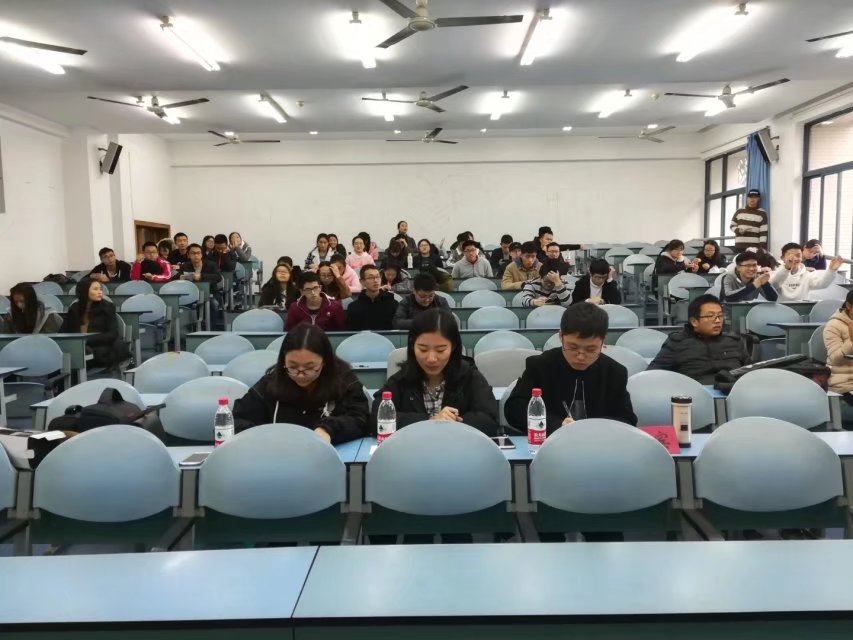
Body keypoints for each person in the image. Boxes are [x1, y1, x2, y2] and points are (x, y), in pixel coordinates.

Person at [504, 303, 637, 432]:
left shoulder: (615, 373)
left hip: (597, 441)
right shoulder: (540, 366)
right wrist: (557, 425)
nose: (581, 356)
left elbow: (627, 419)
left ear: (603, 341)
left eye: (590, 349)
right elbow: (515, 409)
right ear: (561, 336)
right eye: (573, 347)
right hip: (551, 440)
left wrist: (593, 427)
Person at [232, 323, 368, 444]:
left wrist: (328, 429)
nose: (300, 374)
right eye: (292, 367)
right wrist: (266, 436)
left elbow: (360, 419)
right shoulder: (270, 383)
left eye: (310, 367)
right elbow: (238, 419)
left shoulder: (344, 381)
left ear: (325, 361)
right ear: (283, 361)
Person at [372, 308, 498, 435]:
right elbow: (376, 418)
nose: (431, 359)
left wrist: (451, 422)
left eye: (440, 350)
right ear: (412, 346)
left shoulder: (469, 376)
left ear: (453, 347)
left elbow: (490, 420)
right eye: (423, 349)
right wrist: (430, 420)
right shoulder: (401, 379)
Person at [648, 294, 750, 384]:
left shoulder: (733, 341)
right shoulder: (677, 343)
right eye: (710, 316)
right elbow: (651, 375)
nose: (718, 321)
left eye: (720, 315)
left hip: (733, 393)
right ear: (694, 321)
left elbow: (751, 371)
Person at [60, 278, 130, 369]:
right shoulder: (74, 308)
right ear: (84, 291)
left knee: (87, 353)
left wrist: (86, 340)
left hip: (100, 346)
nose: (100, 292)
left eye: (100, 289)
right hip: (77, 346)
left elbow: (112, 334)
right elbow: (63, 331)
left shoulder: (108, 307)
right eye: (95, 289)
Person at [770, 243, 843, 302]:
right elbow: (773, 285)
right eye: (790, 255)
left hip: (802, 310)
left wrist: (832, 270)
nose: (794, 258)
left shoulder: (806, 275)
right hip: (781, 310)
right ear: (782, 258)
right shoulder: (775, 274)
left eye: (798, 255)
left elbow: (823, 284)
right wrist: (787, 267)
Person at [346, 265, 399, 331]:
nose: (375, 280)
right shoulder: (353, 307)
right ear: (362, 282)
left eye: (377, 277)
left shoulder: (393, 304)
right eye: (370, 278)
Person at [823, 290, 853, 397]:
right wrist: (851, 341)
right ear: (849, 306)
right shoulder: (833, 326)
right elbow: (835, 358)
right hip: (844, 381)